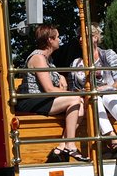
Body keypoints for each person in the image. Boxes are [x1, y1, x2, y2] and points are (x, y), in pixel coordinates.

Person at [16, 24, 90, 162]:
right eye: (57, 37)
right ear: (50, 40)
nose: (59, 39)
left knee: (79, 104)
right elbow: (49, 89)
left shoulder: (48, 59)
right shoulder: (38, 58)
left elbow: (52, 78)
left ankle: (62, 147)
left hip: (41, 98)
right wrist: (70, 93)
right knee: (75, 99)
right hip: (31, 100)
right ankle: (71, 145)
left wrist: (61, 76)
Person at [71, 23, 117, 153]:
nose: (80, 39)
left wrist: (106, 88)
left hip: (115, 95)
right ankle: (111, 137)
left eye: (84, 36)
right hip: (92, 98)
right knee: (95, 99)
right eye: (79, 36)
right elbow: (73, 88)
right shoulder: (76, 63)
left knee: (107, 96)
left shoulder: (108, 55)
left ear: (95, 38)